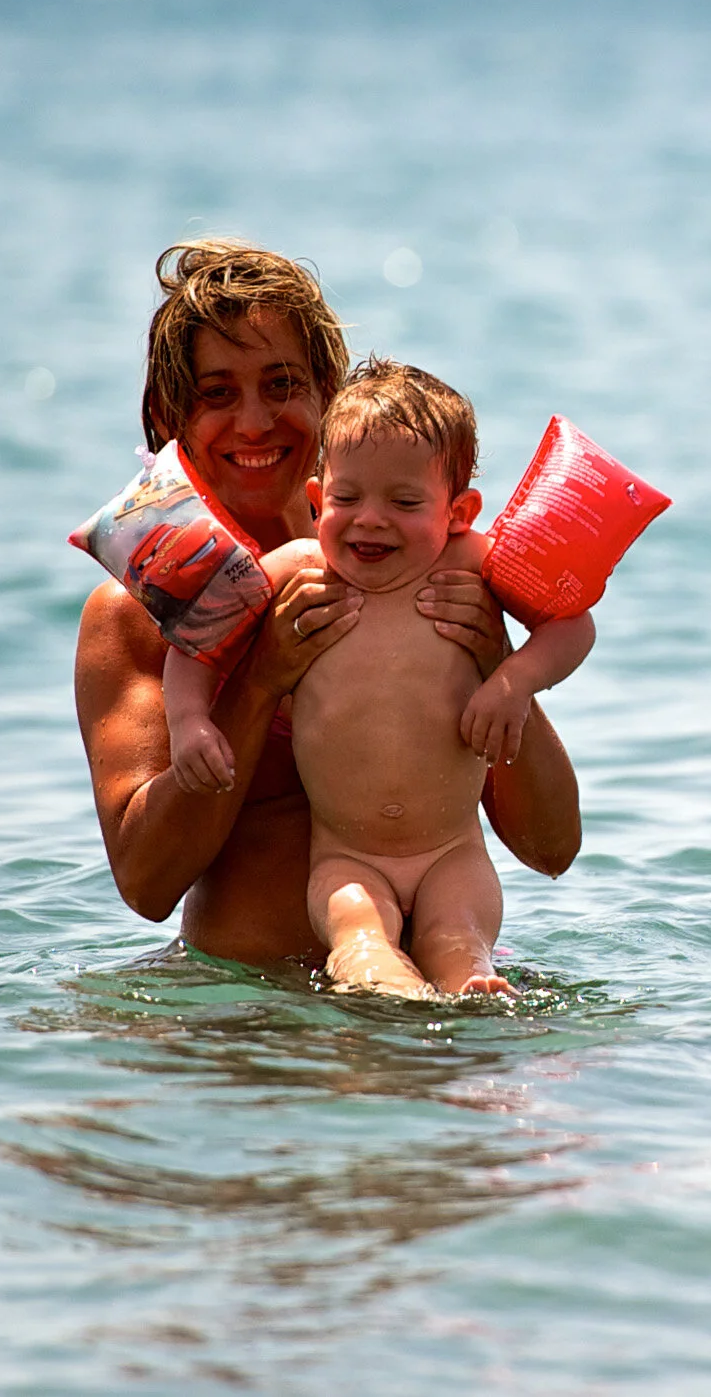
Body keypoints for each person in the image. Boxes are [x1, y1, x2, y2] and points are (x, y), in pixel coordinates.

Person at [74, 242, 583, 970]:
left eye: (281, 384)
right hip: (252, 1013)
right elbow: (147, 882)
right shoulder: (135, 618)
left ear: (327, 394)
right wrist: (259, 679)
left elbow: (552, 848)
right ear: (169, 413)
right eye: (217, 393)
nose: (254, 421)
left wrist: (496, 661)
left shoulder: (421, 562)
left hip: (431, 1001)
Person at [163, 359, 596, 997]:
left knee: (458, 939)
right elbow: (195, 640)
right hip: (347, 855)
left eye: (404, 502)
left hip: (452, 851)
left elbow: (572, 625)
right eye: (347, 499)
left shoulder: (473, 565)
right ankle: (380, 978)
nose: (370, 519)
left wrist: (514, 680)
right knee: (358, 933)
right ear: (317, 500)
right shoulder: (294, 571)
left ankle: (470, 982)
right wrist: (188, 721)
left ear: (458, 511)